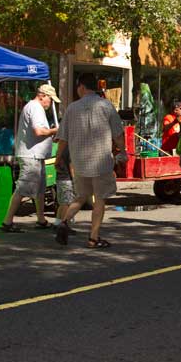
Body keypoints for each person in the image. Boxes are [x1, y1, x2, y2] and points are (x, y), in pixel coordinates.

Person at [54, 73, 127, 248]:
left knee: (80, 196)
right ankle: (93, 238)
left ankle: (64, 222)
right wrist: (123, 151)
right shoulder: (106, 106)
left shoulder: (72, 108)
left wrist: (58, 158)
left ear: (81, 87)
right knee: (100, 199)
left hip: (79, 161)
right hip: (101, 161)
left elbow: (62, 137)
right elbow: (118, 134)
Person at [1, 84, 60, 233]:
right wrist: (55, 130)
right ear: (42, 96)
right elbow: (38, 131)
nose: (50, 103)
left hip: (35, 154)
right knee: (23, 187)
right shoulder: (35, 108)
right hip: (31, 155)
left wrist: (50, 135)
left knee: (40, 188)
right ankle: (7, 221)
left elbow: (37, 133)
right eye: (50, 99)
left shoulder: (33, 107)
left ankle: (41, 220)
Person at [53, 144, 77, 235]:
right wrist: (75, 180)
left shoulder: (61, 147)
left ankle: (57, 223)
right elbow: (72, 165)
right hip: (67, 179)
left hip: (61, 178)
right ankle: (64, 225)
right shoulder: (71, 148)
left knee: (62, 203)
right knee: (67, 204)